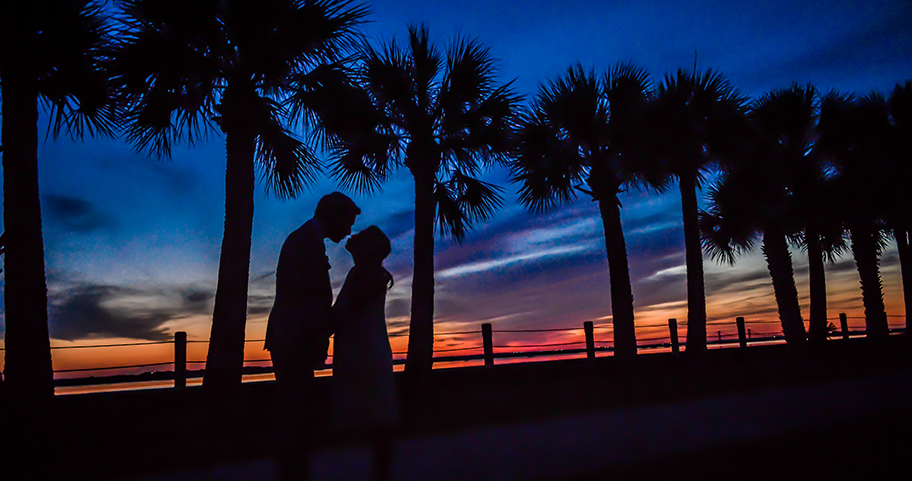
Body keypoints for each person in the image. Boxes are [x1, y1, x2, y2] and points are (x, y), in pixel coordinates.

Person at [265, 192, 360, 481]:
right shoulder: (305, 241)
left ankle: (294, 469)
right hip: (294, 340)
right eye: (347, 223)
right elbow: (305, 297)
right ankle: (293, 471)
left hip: (293, 337)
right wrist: (322, 331)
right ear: (334, 216)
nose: (348, 232)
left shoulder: (306, 239)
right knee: (295, 412)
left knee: (296, 411)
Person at [331, 225, 398, 481]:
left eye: (360, 237)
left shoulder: (363, 275)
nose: (352, 236)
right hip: (369, 350)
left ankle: (381, 473)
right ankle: (381, 472)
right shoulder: (369, 274)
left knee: (377, 417)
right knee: (379, 417)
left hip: (364, 352)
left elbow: (343, 313)